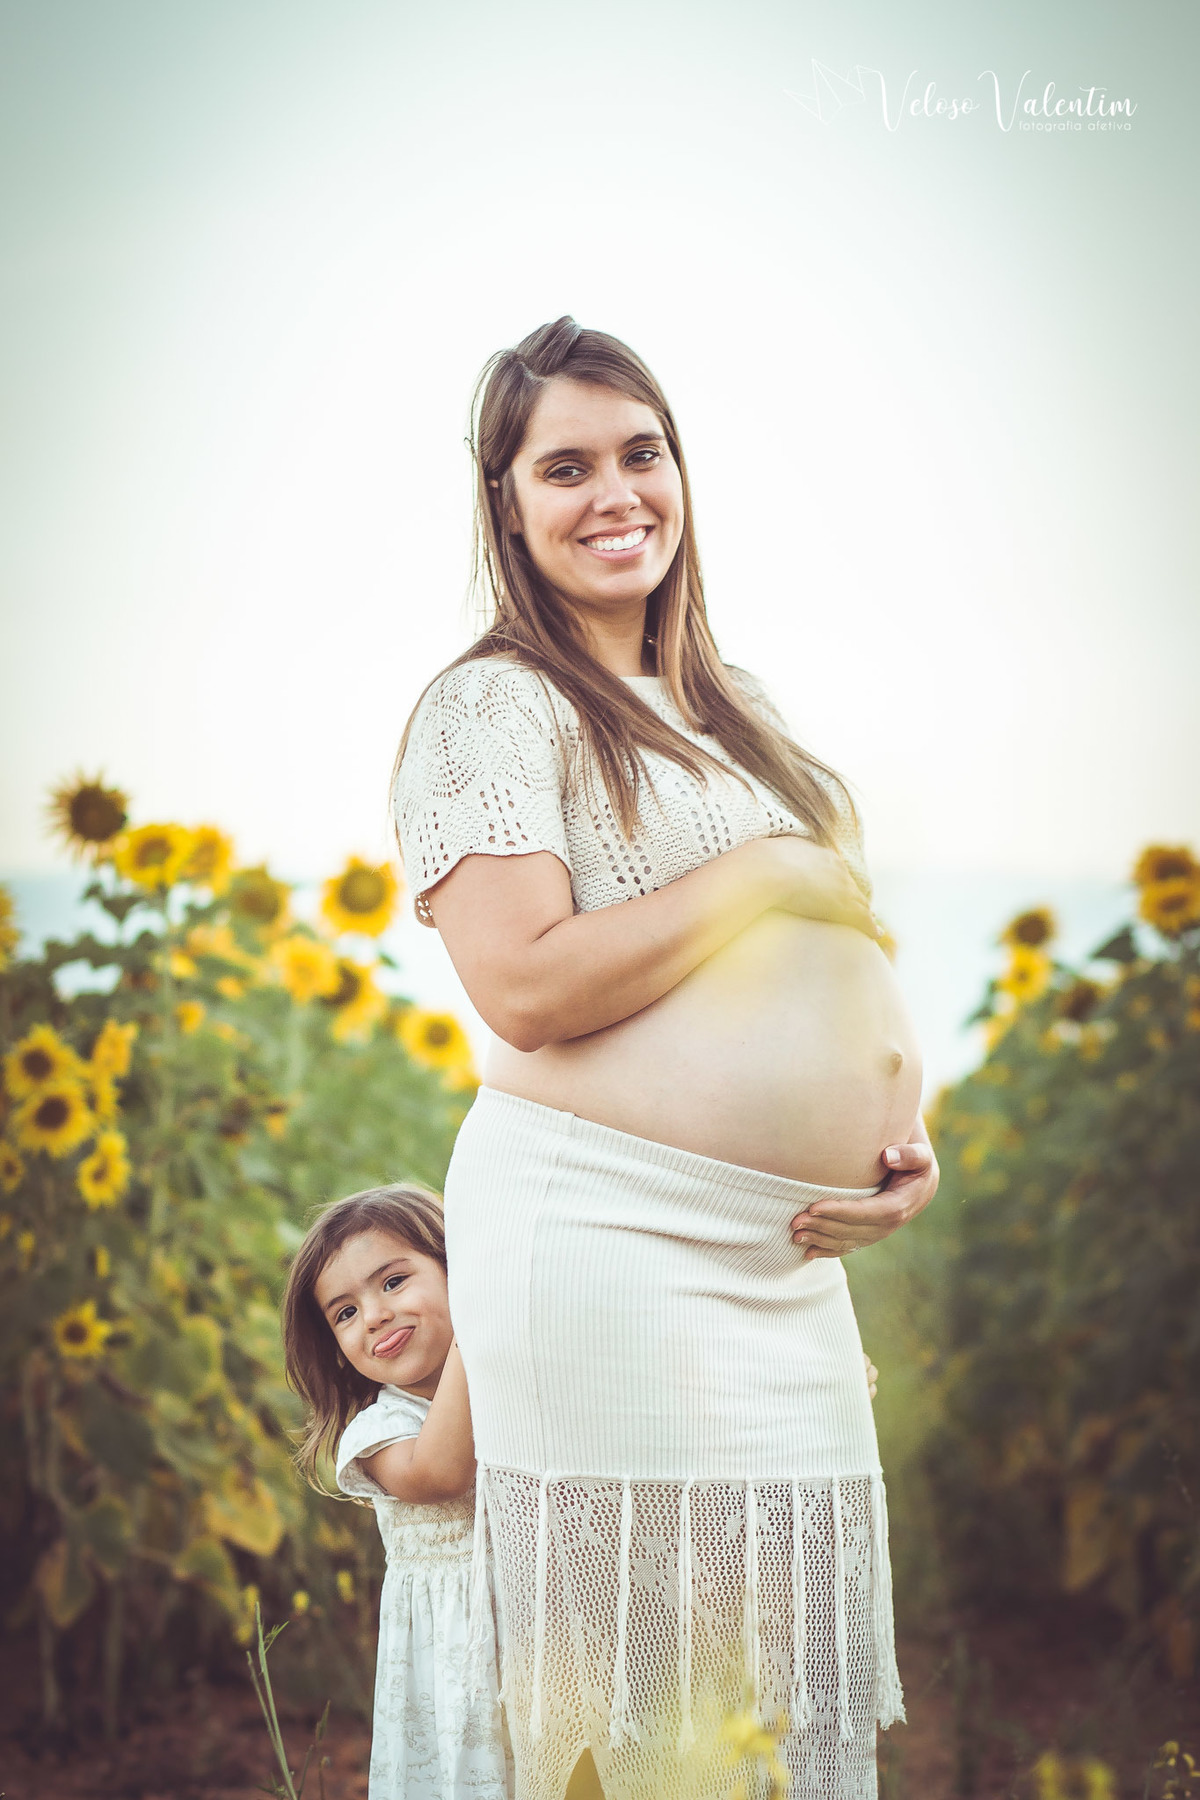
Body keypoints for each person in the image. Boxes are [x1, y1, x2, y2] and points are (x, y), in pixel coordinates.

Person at [390, 317, 940, 1800]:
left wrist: (899, 1148)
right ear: (504, 501)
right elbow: (522, 983)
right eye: (563, 467)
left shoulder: (737, 709)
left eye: (642, 453)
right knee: (635, 1723)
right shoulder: (493, 704)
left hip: (785, 1270)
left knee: (776, 1712)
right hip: (607, 1240)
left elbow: (842, 954)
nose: (614, 492)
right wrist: (755, 876)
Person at [281, 1184, 514, 1800]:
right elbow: (440, 1476)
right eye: (345, 1312)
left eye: (392, 1282)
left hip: (545, 1636)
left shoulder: (520, 1378)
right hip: (459, 1666)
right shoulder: (380, 1430)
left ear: (454, 1265)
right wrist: (478, 1317)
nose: (375, 1315)